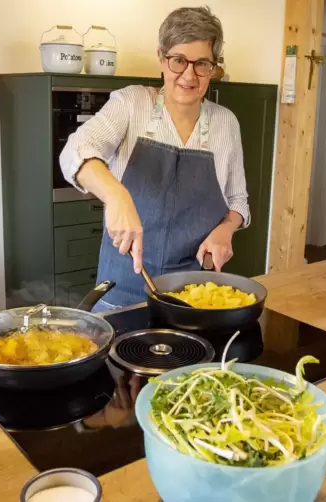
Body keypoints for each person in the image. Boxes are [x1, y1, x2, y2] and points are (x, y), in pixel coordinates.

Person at [60, 6, 250, 312]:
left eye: (201, 63)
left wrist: (225, 230)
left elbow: (237, 200)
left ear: (213, 67)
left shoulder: (225, 123)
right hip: (121, 289)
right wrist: (116, 195)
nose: (189, 75)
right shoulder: (131, 103)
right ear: (162, 58)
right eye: (178, 60)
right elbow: (75, 151)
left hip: (191, 291)